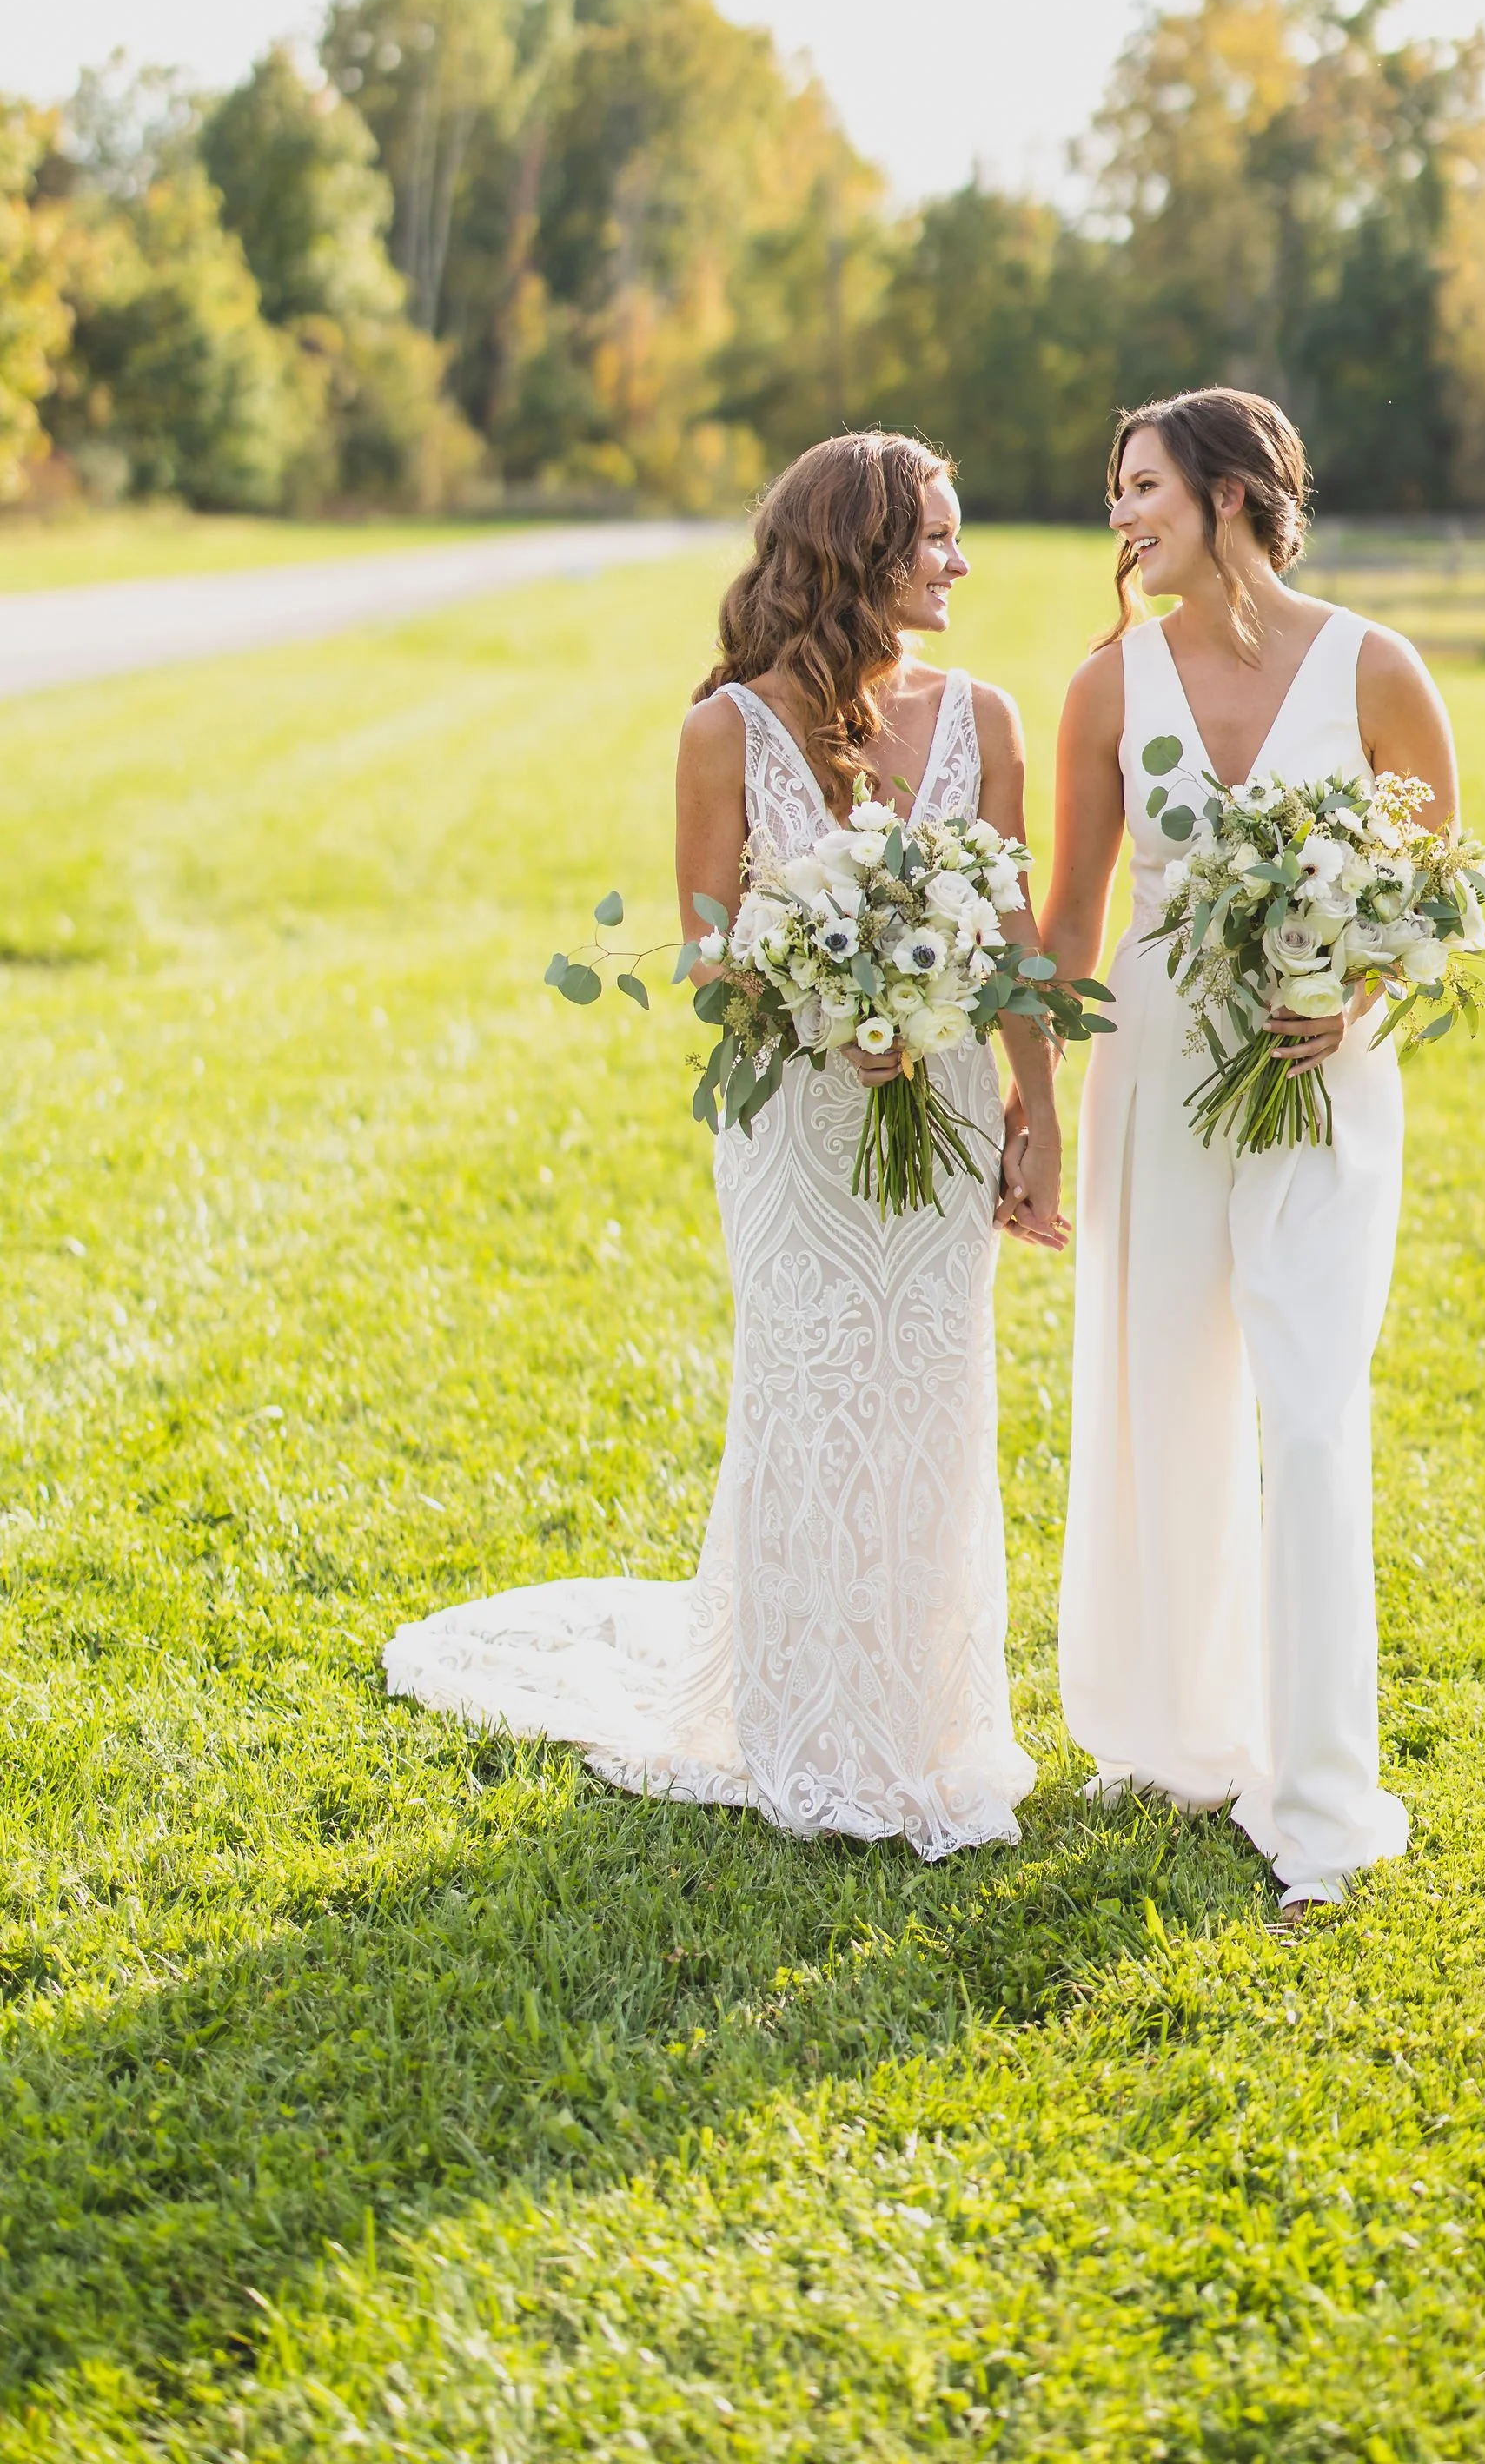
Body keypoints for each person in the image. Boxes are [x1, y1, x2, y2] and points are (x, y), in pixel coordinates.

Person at [386, 434, 1066, 1860]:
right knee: (810, 1391)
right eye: (936, 536)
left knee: (932, 1392)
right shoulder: (723, 734)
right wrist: (835, 1015)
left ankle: (927, 1718)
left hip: (940, 1110)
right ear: (861, 553)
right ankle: (804, 1720)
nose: (959, 561)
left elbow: (1011, 944)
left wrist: (1038, 1119)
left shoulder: (988, 720)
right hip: (795, 1125)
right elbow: (708, 956)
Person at [1036, 387, 1457, 1930]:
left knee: (1307, 1416)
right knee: (1164, 1402)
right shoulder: (1105, 688)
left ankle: (1323, 1805)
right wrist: (1029, 1101)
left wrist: (1351, 991)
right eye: (1112, 494)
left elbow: (1433, 906)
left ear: (1225, 493)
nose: (1118, 517)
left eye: (1138, 486)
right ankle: (1175, 1734)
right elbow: (1068, 924)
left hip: (1325, 1094)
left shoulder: (1377, 671)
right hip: (1156, 1080)